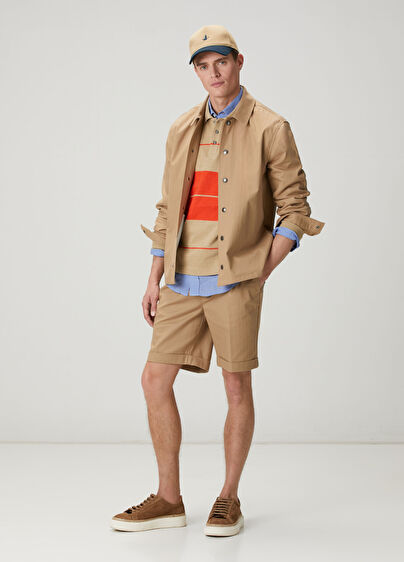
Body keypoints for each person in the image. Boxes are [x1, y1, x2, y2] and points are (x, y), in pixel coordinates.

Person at [110, 24, 325, 537]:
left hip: (235, 281)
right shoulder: (182, 127)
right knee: (154, 380)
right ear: (197, 72)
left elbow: (295, 209)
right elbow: (169, 207)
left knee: (235, 385)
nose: (214, 73)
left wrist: (260, 270)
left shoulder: (271, 127)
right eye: (203, 66)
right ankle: (168, 499)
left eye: (221, 62)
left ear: (238, 61)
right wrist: (153, 277)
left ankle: (228, 497)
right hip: (181, 279)